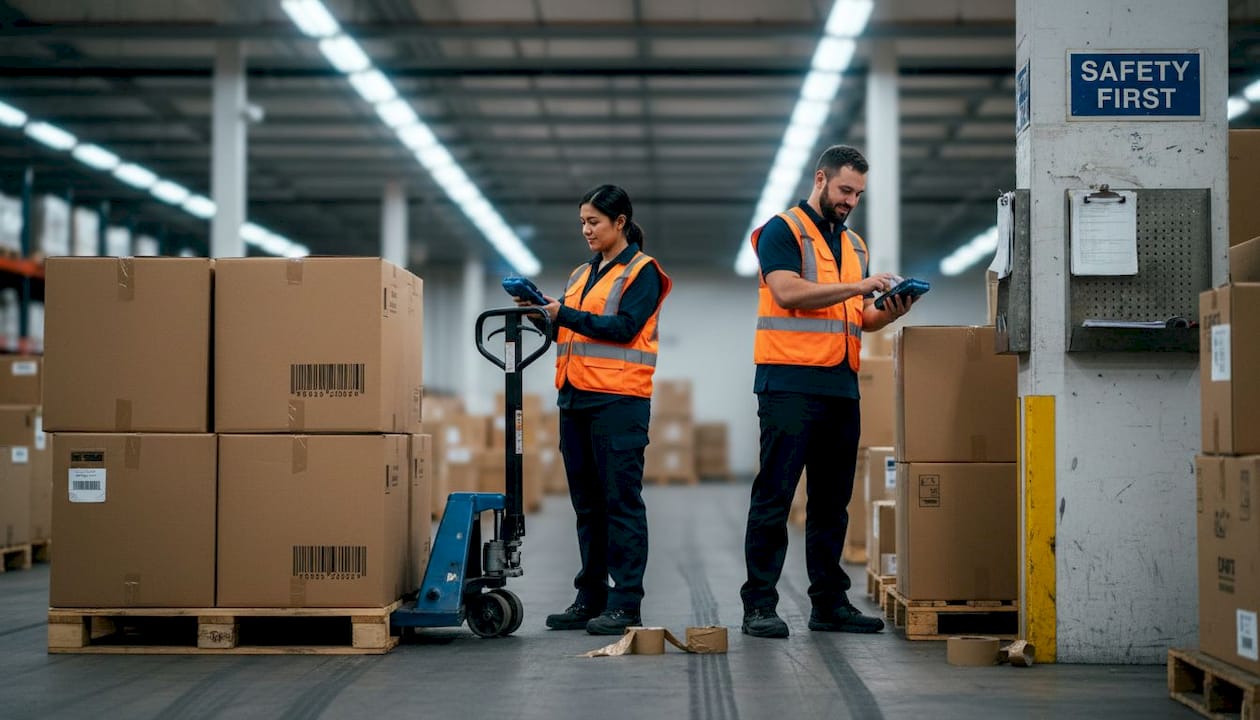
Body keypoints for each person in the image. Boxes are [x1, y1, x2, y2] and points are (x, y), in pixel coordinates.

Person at [740, 145, 917, 639]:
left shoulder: (853, 244)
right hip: (788, 383)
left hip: (840, 385)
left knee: (831, 502)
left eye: (858, 194)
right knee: (774, 497)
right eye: (844, 190)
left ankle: (829, 603)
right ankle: (759, 604)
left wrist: (892, 309)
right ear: (820, 179)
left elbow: (858, 318)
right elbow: (789, 293)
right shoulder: (782, 231)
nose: (850, 201)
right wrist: (860, 287)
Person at [514, 184, 672, 636]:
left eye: (594, 221)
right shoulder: (581, 274)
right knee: (587, 506)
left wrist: (562, 314)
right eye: (582, 221)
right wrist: (540, 314)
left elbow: (623, 329)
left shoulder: (644, 272)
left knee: (621, 503)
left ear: (620, 222)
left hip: (619, 402)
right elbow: (573, 331)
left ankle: (626, 603)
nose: (585, 229)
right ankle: (591, 596)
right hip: (576, 399)